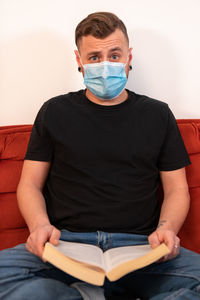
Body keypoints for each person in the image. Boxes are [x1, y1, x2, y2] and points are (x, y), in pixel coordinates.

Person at [0, 11, 200, 300]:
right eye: (94, 57)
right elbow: (29, 184)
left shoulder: (157, 114)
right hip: (64, 247)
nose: (105, 65)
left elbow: (177, 188)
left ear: (129, 57)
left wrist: (166, 230)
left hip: (141, 250)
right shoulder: (54, 111)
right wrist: (40, 226)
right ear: (79, 61)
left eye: (114, 55)